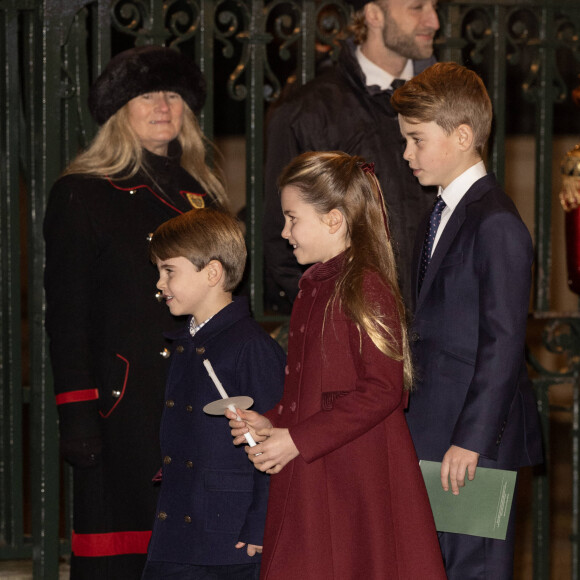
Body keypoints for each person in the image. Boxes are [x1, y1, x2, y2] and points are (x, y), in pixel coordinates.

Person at [43, 46, 228, 579]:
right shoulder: (82, 194)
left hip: (196, 398)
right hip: (122, 408)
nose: (162, 105)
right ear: (120, 109)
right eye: (147, 94)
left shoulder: (202, 193)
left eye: (172, 94)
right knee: (123, 555)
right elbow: (67, 316)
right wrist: (78, 413)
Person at [227, 151, 447, 579]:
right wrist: (272, 424)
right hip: (318, 468)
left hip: (353, 476)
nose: (285, 232)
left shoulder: (365, 286)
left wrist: (296, 439)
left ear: (334, 220)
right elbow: (311, 392)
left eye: (293, 218)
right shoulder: (317, 286)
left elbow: (384, 389)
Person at [391, 62, 543, 579]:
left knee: (473, 571)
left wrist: (472, 439)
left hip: (474, 445)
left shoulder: (496, 222)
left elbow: (503, 342)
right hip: (436, 432)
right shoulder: (441, 213)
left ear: (462, 135)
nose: (406, 154)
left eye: (415, 140)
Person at [263, 0, 440, 313]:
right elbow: (282, 244)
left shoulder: (449, 103)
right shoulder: (307, 113)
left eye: (434, 6)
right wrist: (341, 317)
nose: (434, 21)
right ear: (373, 14)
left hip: (443, 337)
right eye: (417, 7)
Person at [140, 208, 285, 580]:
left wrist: (261, 525)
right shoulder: (188, 341)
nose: (160, 283)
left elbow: (275, 445)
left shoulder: (251, 347)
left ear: (213, 273)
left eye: (169, 270)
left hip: (229, 540)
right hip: (179, 531)